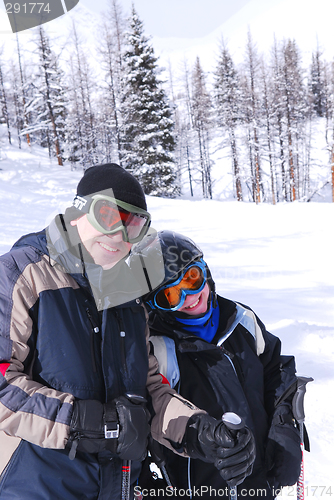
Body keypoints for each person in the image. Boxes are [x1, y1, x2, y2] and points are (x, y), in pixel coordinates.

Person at [0, 164, 255, 500]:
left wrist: (197, 430)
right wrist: (84, 422)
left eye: (134, 225)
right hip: (35, 486)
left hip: (115, 487)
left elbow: (148, 391)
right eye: (108, 216)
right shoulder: (23, 274)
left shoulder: (127, 296)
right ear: (78, 212)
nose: (119, 236)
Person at [130, 230, 305, 499]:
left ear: (206, 272)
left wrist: (283, 425)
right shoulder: (157, 349)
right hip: (200, 488)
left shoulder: (241, 319)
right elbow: (150, 413)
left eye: (192, 279)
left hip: (260, 484)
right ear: (156, 306)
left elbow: (275, 369)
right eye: (171, 296)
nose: (189, 297)